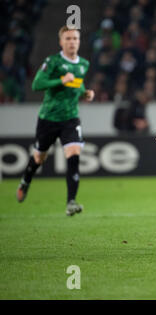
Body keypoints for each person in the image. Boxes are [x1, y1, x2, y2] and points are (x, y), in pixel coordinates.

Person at [16, 26, 95, 216]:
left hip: (70, 118)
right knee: (39, 158)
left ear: (79, 41)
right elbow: (36, 84)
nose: (72, 42)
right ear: (61, 42)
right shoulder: (52, 62)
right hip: (49, 118)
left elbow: (77, 83)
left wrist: (85, 93)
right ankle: (26, 180)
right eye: (68, 39)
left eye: (75, 38)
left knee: (74, 152)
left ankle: (71, 202)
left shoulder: (83, 64)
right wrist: (60, 80)